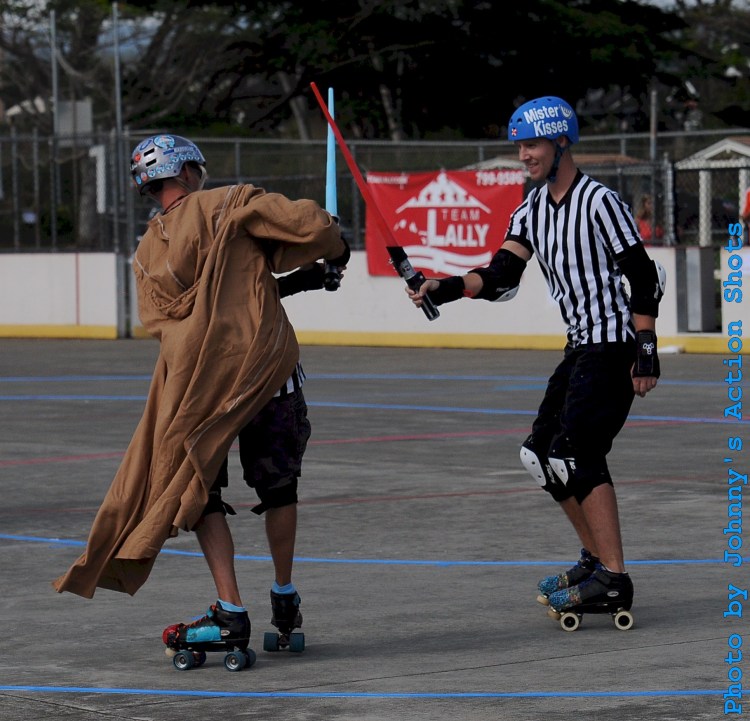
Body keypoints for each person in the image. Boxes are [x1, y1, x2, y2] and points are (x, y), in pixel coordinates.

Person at [54, 134, 349, 659]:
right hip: (267, 377)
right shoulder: (230, 204)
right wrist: (334, 242)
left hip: (200, 392)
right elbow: (312, 229)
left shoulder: (147, 255)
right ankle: (284, 594)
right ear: (187, 171)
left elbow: (206, 311)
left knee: (200, 492)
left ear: (150, 187)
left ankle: (230, 607)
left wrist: (298, 281)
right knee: (280, 489)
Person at [408, 97, 664, 621]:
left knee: (577, 452)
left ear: (561, 143)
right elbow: (500, 275)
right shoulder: (530, 209)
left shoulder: (600, 202)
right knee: (540, 454)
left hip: (614, 343)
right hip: (581, 345)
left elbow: (642, 275)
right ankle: (595, 560)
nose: (523, 155)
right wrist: (444, 286)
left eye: (532, 145)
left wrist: (646, 348)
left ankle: (614, 579)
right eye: (520, 146)